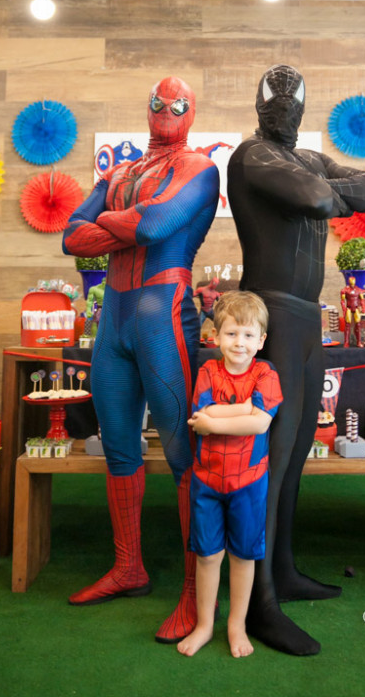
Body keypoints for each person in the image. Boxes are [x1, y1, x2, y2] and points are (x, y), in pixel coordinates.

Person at [227, 64, 365, 656]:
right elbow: (322, 197)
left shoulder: (307, 158)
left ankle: (283, 569)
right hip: (271, 311)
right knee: (270, 451)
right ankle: (259, 598)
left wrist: (328, 191)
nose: (282, 114)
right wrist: (325, 190)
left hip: (305, 315)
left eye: (291, 106)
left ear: (301, 111)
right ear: (260, 109)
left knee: (294, 453)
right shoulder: (249, 155)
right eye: (273, 106)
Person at [62, 76, 220, 643]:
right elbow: (69, 238)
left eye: (178, 104)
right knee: (120, 447)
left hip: (163, 313)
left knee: (182, 453)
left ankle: (191, 589)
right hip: (117, 321)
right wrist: (121, 225)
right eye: (159, 102)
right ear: (147, 107)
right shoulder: (120, 173)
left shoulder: (200, 168)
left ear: (191, 111)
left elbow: (153, 224)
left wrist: (111, 223)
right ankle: (128, 566)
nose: (167, 111)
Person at [178, 290, 282, 658]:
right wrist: (243, 411)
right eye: (232, 333)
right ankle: (205, 623)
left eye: (249, 335)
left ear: (261, 340)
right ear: (216, 337)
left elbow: (259, 425)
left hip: (249, 482)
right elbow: (198, 417)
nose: (240, 342)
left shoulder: (266, 374)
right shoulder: (208, 371)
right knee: (207, 555)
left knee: (243, 555)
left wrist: (215, 419)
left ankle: (236, 624)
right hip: (207, 479)